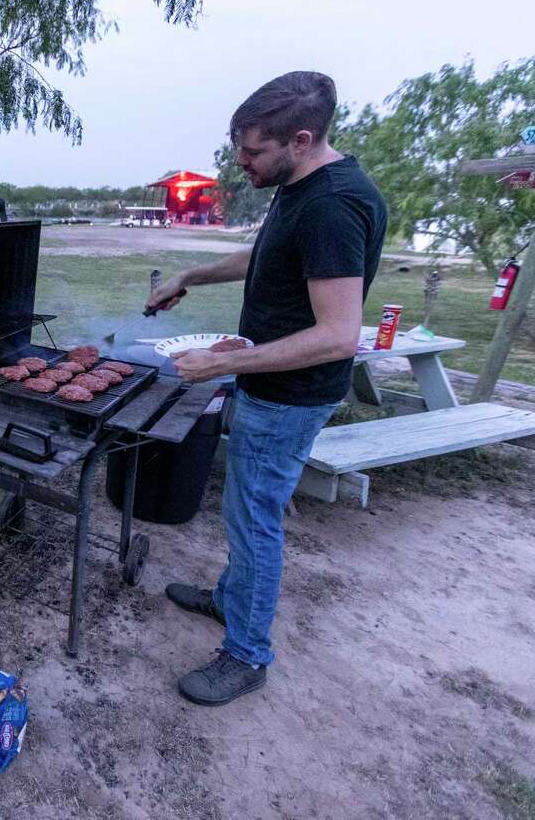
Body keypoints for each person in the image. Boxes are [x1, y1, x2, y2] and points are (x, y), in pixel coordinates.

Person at [146, 71, 387, 706]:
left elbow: (338, 336)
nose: (242, 164)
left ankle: (247, 653)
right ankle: (231, 601)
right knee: (244, 510)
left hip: (290, 397)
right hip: (271, 387)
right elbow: (266, 257)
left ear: (300, 140)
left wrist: (223, 366)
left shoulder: (333, 206)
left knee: (254, 521)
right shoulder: (300, 188)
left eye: (254, 152)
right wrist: (189, 275)